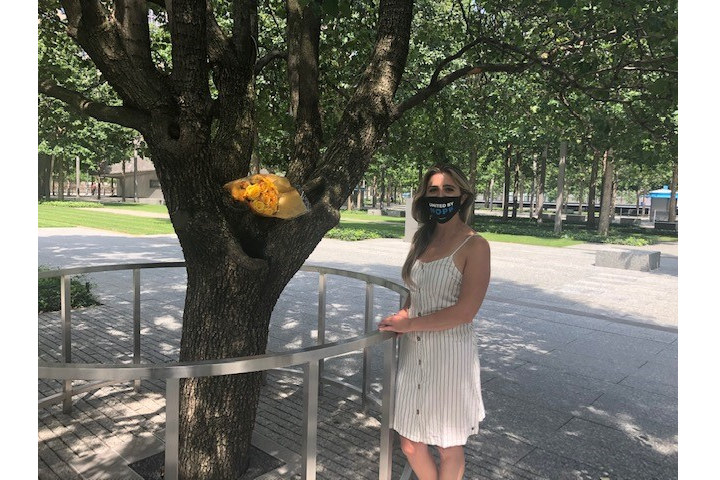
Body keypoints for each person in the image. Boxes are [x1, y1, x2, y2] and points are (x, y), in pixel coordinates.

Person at [379, 164, 491, 480]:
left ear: (463, 196)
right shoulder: (422, 240)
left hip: (450, 357)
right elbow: (414, 293)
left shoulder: (475, 245)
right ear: (424, 197)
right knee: (411, 443)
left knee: (447, 445)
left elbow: (465, 311)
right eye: (433, 190)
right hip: (415, 355)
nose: (440, 196)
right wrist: (403, 314)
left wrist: (409, 325)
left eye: (448, 190)